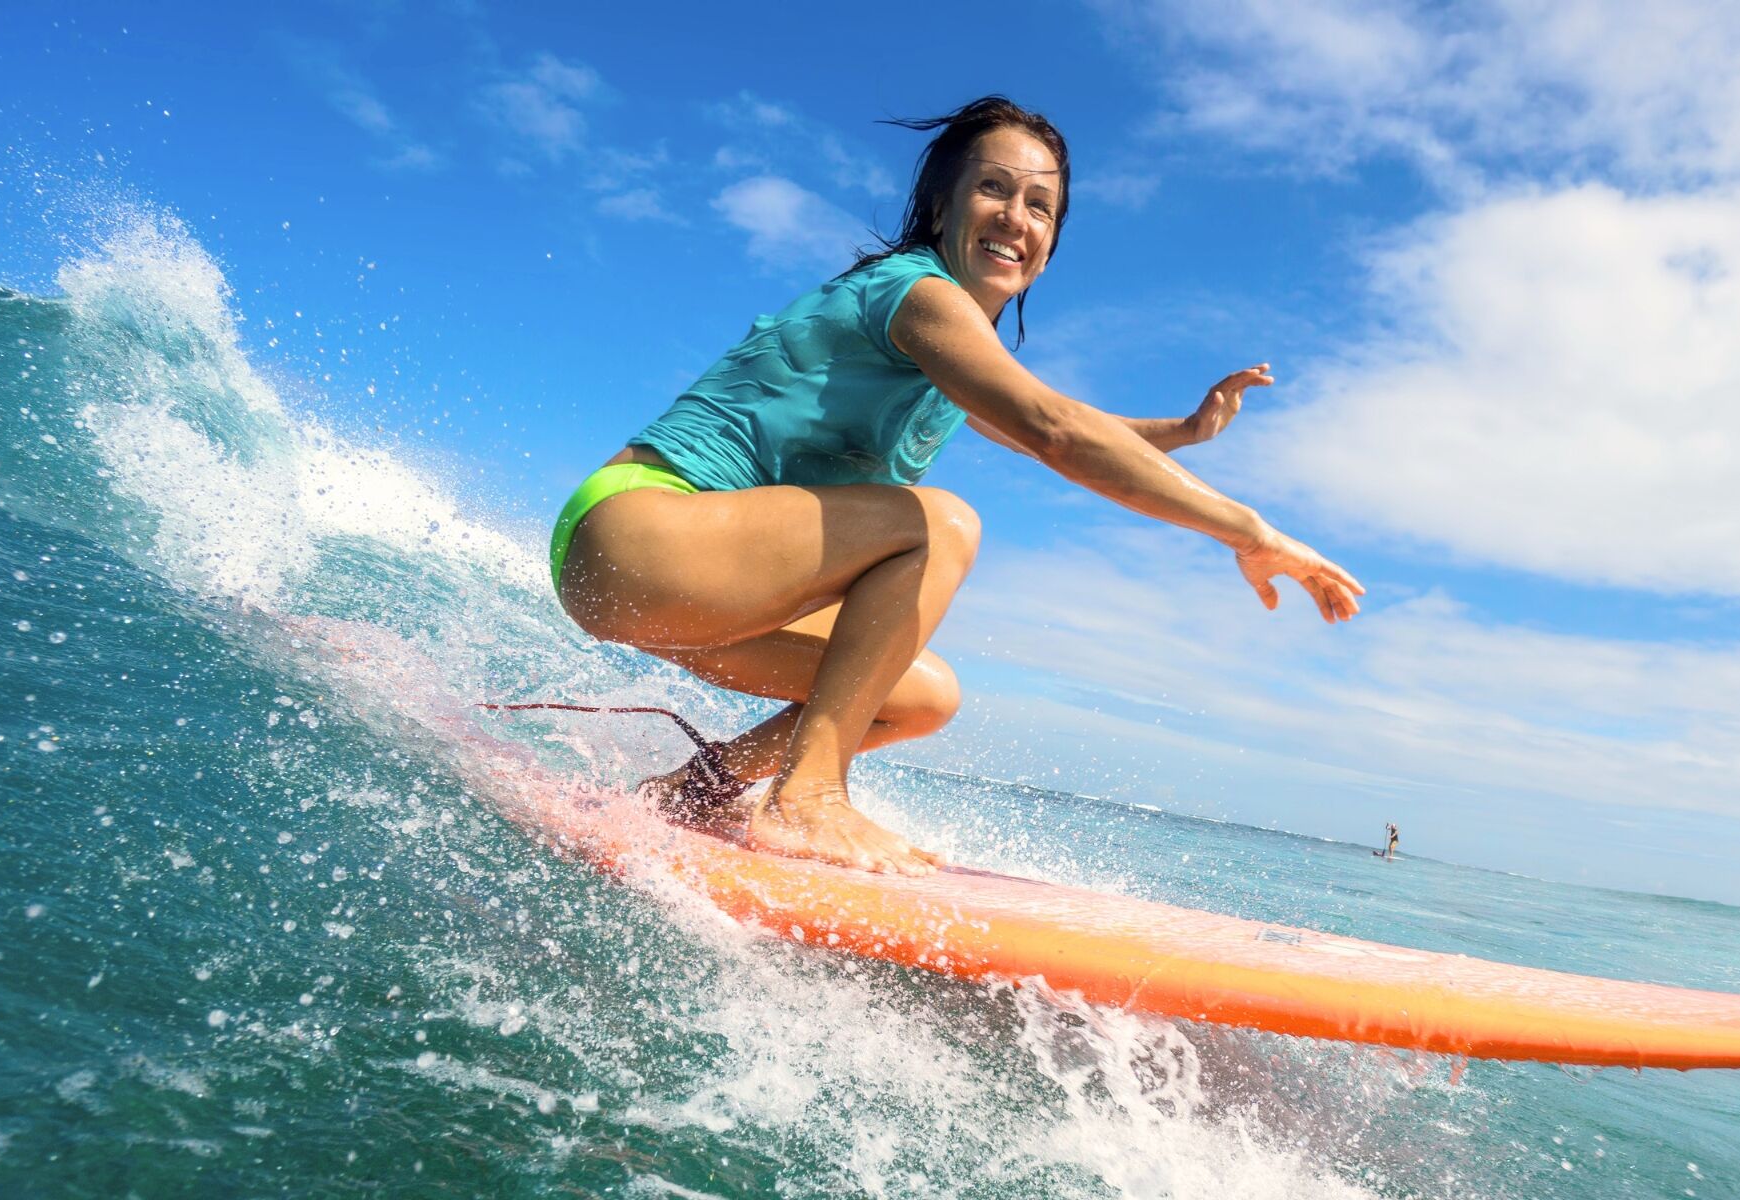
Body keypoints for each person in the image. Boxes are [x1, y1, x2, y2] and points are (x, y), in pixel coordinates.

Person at [550, 96, 1363, 876]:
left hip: (696, 597)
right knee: (937, 526)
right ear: (940, 209)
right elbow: (1055, 431)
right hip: (638, 534)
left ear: (1050, 243)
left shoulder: (943, 364)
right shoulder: (915, 294)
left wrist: (1185, 431)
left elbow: (1049, 425)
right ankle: (809, 795)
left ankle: (698, 790)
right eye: (993, 188)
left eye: (1041, 206)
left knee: (919, 695)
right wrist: (1252, 532)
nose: (1018, 217)